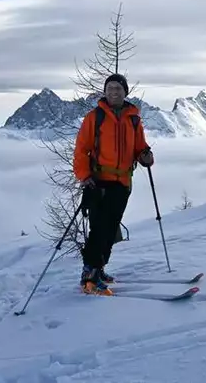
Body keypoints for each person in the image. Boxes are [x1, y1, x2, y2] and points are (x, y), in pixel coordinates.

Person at [73, 73, 154, 295]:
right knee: (99, 228)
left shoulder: (133, 119)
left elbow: (140, 147)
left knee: (111, 228)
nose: (114, 92)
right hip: (98, 181)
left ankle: (99, 269)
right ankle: (90, 275)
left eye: (118, 88)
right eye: (110, 88)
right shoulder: (95, 117)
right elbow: (81, 149)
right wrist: (84, 175)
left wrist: (146, 156)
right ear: (105, 92)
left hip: (123, 182)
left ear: (125, 92)